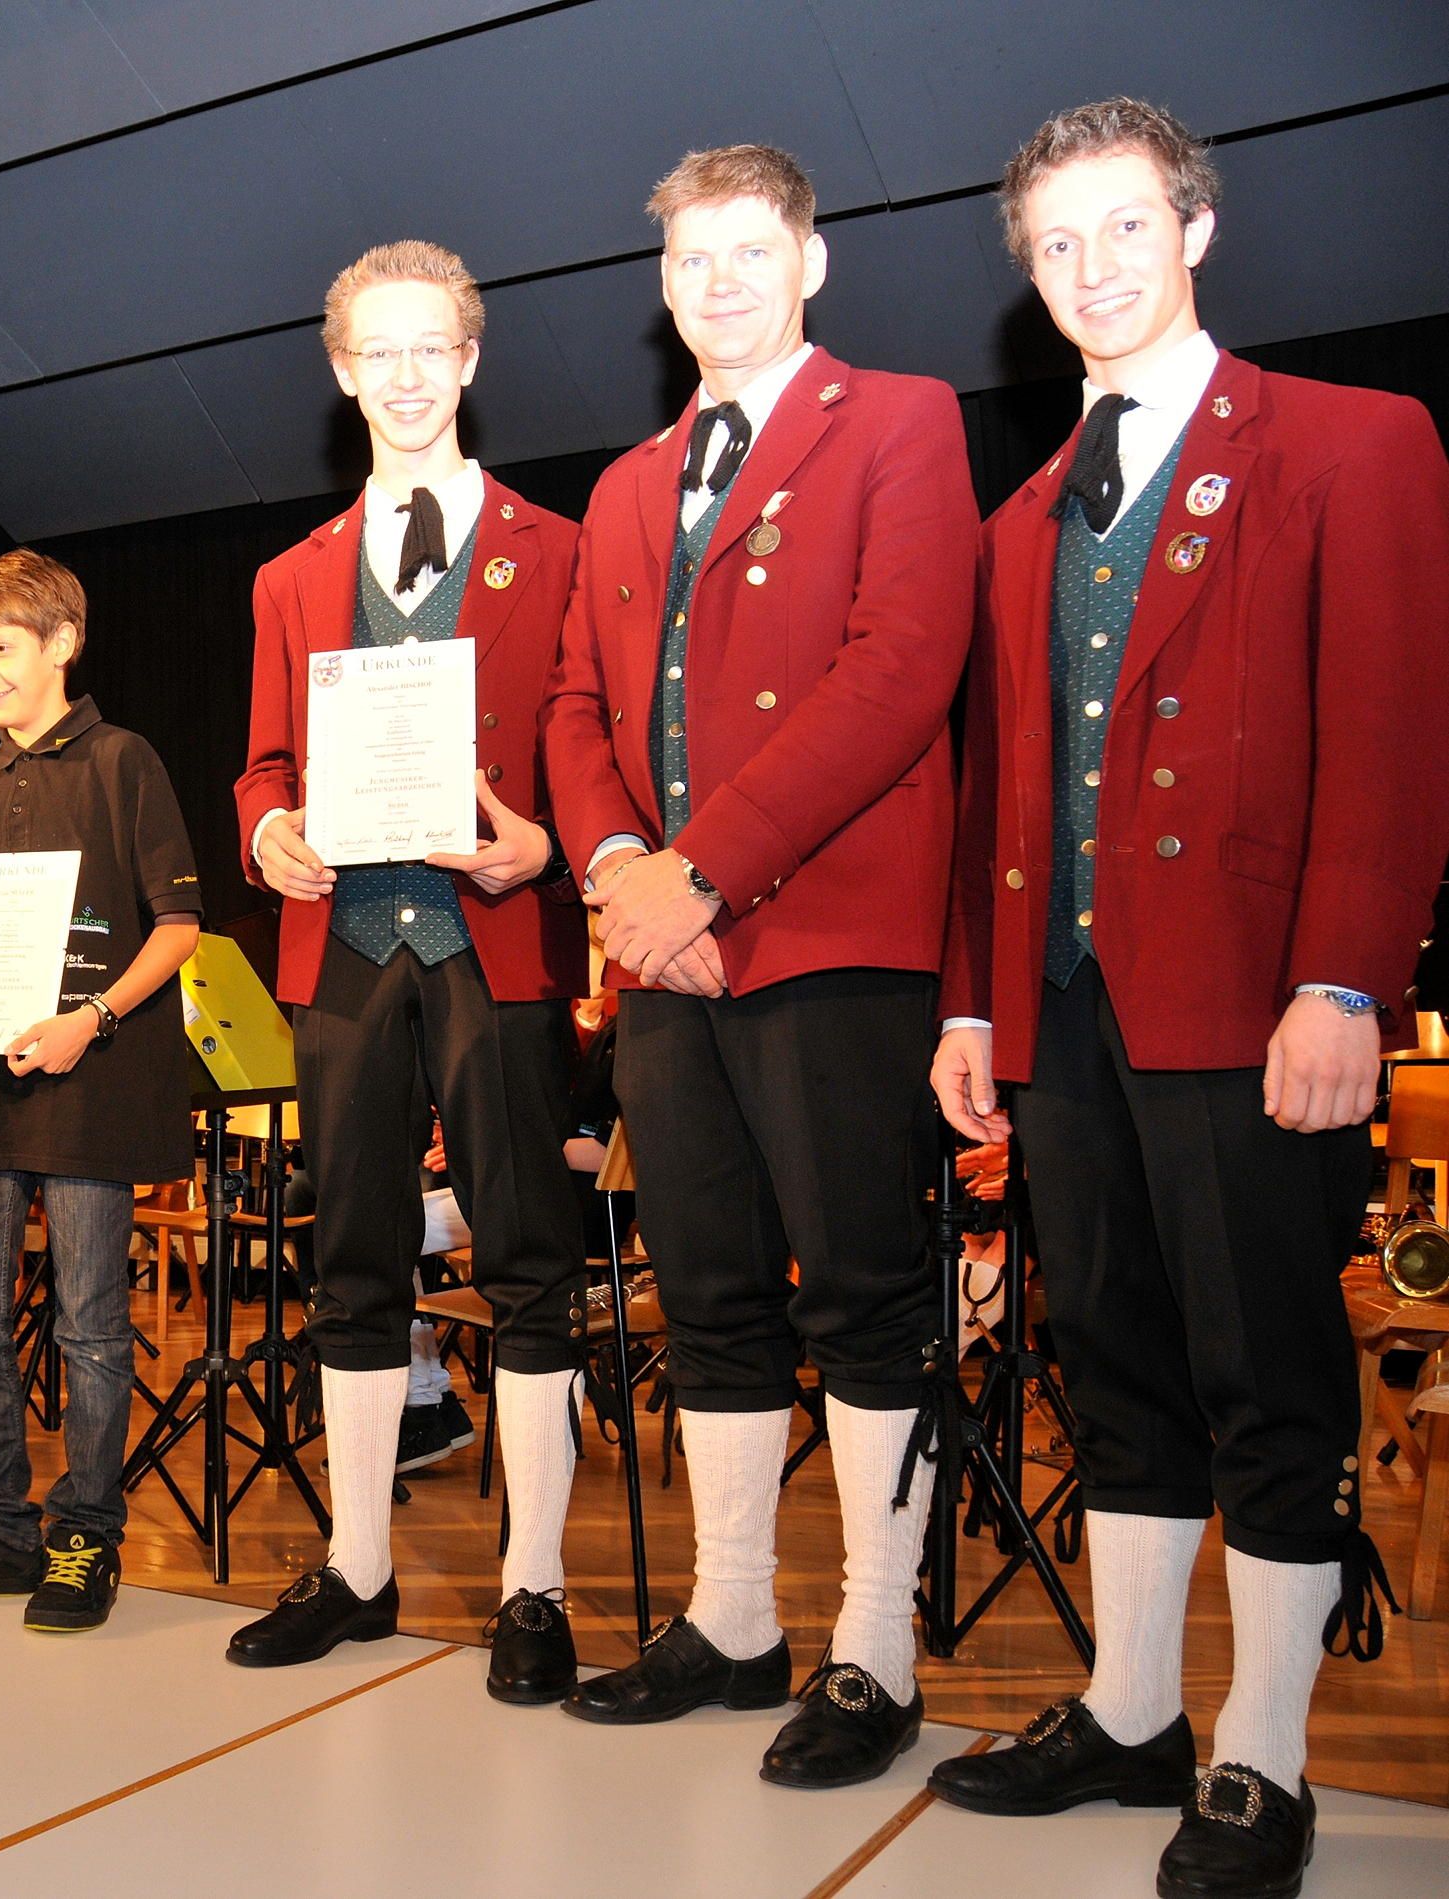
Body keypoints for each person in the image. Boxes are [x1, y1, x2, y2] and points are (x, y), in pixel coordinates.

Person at [925, 99, 1449, 1898]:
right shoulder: (1015, 520)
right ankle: (1132, 1706)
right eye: (1053, 246)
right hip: (1063, 1007)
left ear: (1194, 230)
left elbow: (1388, 734)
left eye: (1122, 229)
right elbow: (998, 793)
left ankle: (1263, 1750)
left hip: (1253, 1000)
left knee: (1264, 1376)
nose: (1089, 270)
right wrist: (971, 1008)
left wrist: (1341, 978)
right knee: (1112, 1366)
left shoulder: (1352, 440)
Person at [539, 143, 978, 1787]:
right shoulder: (623, 483)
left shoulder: (902, 420)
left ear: (811, 261)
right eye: (688, 259)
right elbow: (572, 706)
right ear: (660, 286)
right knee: (708, 1294)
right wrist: (618, 874)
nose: (716, 282)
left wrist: (700, 873)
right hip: (664, 955)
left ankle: (874, 1648)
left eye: (747, 250)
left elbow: (899, 669)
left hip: (829, 935)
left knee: (860, 1296)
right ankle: (731, 1619)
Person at [225, 240, 594, 1690]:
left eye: (427, 346)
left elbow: (587, 745)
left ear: (469, 359)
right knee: (352, 1258)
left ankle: (533, 1585)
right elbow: (263, 764)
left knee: (528, 1260)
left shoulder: (559, 549)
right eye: (374, 350)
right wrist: (266, 833)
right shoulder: (288, 577)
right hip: (342, 950)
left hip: (494, 939)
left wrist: (546, 844)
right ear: (340, 370)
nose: (402, 374)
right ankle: (360, 1568)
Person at [0, 551, 203, 1635]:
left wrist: (89, 1018)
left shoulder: (122, 760)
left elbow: (177, 925)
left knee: (90, 1326)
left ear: (62, 643)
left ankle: (86, 1534)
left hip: (88, 1084)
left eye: (1, 648)